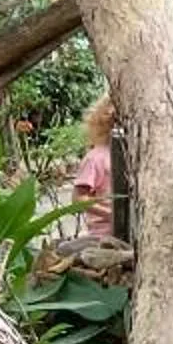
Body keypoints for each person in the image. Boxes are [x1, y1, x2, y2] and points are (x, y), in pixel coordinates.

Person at [70, 95, 118, 239]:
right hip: (103, 234)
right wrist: (111, 214)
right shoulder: (96, 158)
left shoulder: (128, 156)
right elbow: (79, 199)